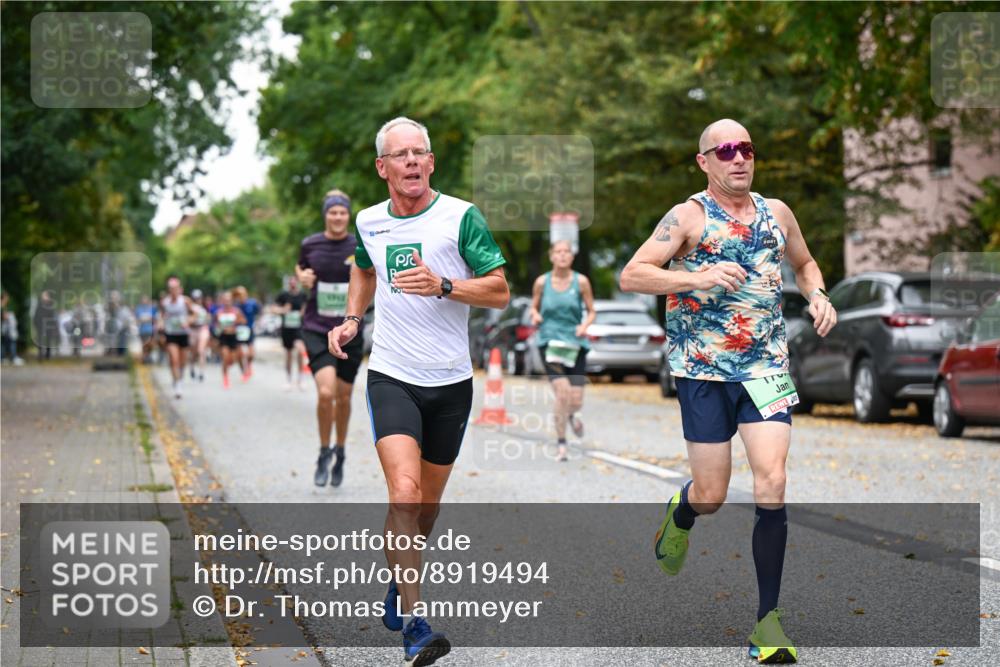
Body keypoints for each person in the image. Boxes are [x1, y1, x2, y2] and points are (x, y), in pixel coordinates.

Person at [620, 119, 837, 664]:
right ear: (705, 161)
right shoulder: (688, 216)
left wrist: (818, 294)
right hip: (703, 370)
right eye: (726, 150)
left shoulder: (777, 212)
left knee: (774, 480)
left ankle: (768, 623)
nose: (739, 158)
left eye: (747, 149)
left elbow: (805, 262)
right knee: (713, 494)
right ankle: (684, 512)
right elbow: (633, 274)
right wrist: (696, 277)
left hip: (765, 367)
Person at [327, 117, 509, 666]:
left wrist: (445, 285)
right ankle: (414, 624)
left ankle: (397, 585)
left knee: (425, 510)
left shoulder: (461, 218)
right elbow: (363, 268)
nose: (410, 162)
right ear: (382, 168)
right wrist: (353, 319)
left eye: (419, 153)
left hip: (451, 381)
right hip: (392, 374)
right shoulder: (368, 221)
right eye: (399, 155)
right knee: (404, 495)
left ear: (431, 163)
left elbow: (500, 291)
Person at [295, 190, 364, 486]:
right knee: (326, 394)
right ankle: (324, 452)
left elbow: (370, 276)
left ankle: (341, 451)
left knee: (344, 397)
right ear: (325, 215)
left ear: (348, 216)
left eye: (342, 212)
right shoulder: (310, 244)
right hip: (317, 327)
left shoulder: (359, 244)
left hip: (351, 329)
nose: (337, 217)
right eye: (332, 212)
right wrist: (302, 278)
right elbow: (301, 269)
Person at [530, 240, 596, 462]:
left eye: (567, 252)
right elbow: (534, 306)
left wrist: (584, 326)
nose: (562, 255)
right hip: (550, 343)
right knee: (563, 393)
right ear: (551, 256)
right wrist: (535, 316)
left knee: (576, 400)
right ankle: (561, 444)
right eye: (558, 252)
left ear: (572, 256)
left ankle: (573, 414)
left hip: (575, 344)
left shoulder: (581, 281)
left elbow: (591, 311)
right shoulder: (542, 282)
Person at [159, 276, 195, 399]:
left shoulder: (185, 301)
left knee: (182, 362)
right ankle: (178, 385)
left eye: (175, 288)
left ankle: (179, 378)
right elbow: (162, 315)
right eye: (171, 289)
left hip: (183, 334)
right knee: (174, 359)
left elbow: (194, 314)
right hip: (171, 334)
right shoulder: (165, 302)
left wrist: (188, 322)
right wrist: (160, 323)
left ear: (180, 289)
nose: (173, 291)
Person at [274, 276, 308, 391]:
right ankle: (288, 380)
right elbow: (273, 308)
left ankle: (300, 379)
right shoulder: (283, 295)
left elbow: (307, 308)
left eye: (295, 282)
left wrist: (303, 312)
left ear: (298, 283)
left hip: (299, 328)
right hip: (286, 328)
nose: (293, 284)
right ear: (289, 284)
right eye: (291, 283)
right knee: (288, 354)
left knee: (299, 350)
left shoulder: (302, 295)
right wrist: (283, 310)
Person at [213, 290, 246, 389]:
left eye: (229, 300)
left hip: (234, 337)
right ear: (222, 301)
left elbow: (244, 321)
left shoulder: (236, 311)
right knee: (225, 356)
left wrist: (236, 322)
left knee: (238, 357)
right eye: (225, 300)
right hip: (224, 337)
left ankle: (243, 371)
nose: (227, 302)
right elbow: (215, 326)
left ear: (232, 301)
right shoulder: (218, 312)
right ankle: (225, 378)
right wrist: (218, 328)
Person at [233, 286, 261, 380]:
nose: (241, 296)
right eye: (239, 294)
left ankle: (248, 365)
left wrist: (257, 322)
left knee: (251, 354)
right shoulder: (235, 306)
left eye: (243, 294)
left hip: (249, 330)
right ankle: (243, 372)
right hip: (238, 331)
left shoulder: (252, 303)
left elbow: (259, 312)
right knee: (240, 354)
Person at [188, 289, 211, 382]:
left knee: (201, 350)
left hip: (203, 329)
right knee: (194, 352)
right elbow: (188, 320)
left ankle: (201, 372)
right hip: (193, 330)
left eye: (199, 298)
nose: (197, 299)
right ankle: (192, 367)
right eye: (195, 298)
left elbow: (209, 318)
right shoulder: (190, 307)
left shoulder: (205, 307)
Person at [33, 290, 60, 360]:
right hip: (40, 325)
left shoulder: (51, 305)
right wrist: (35, 323)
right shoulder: (39, 305)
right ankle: (40, 354)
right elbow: (36, 315)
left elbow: (53, 316)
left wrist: (54, 325)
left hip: (49, 326)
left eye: (44, 296)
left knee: (49, 340)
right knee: (40, 340)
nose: (43, 297)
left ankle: (48, 354)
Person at [1, 291, 24, 365]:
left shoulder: (4, 306)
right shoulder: (1, 306)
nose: (8, 299)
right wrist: (9, 315)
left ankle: (3, 358)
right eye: (7, 298)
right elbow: (4, 317)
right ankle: (13, 358)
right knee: (11, 342)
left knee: (4, 343)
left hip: (5, 328)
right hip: (4, 328)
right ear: (4, 297)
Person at [135, 295, 158, 364]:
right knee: (144, 344)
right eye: (143, 300)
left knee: (150, 344)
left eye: (145, 300)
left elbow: (154, 319)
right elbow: (137, 319)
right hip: (142, 330)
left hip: (150, 330)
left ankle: (147, 356)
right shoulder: (138, 309)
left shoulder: (151, 308)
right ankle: (145, 357)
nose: (144, 301)